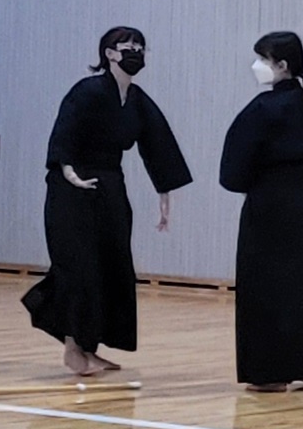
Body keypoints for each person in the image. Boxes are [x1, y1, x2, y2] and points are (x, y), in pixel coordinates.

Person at [24, 25, 191, 377]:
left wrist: (165, 193)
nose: (135, 52)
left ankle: (90, 347)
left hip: (110, 186)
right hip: (73, 189)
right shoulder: (87, 91)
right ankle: (73, 349)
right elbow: (65, 131)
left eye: (140, 47)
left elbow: (158, 143)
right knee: (79, 268)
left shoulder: (137, 99)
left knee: (112, 267)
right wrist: (67, 169)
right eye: (127, 46)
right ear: (109, 53)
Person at [220, 29, 303, 393]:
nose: (258, 66)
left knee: (266, 285)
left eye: (263, 59)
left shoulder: (264, 108)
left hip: (269, 202)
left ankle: (270, 372)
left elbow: (234, 165)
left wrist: (252, 182)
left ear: (282, 65)